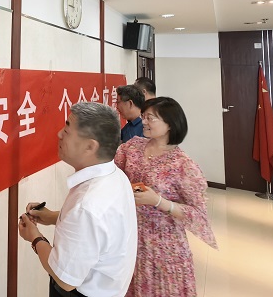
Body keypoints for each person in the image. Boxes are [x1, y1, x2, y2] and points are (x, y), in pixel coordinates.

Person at [18, 102, 138, 297]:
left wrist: (35, 237)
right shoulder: (116, 176)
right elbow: (98, 230)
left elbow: (65, 280)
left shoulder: (87, 206)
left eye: (67, 130)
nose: (59, 134)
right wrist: (53, 217)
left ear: (90, 146)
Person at [114, 97, 217, 297]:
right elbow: (112, 175)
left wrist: (159, 202)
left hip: (164, 247)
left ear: (170, 124)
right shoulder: (132, 148)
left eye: (150, 118)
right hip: (128, 237)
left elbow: (198, 215)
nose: (144, 121)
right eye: (143, 116)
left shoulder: (183, 165)